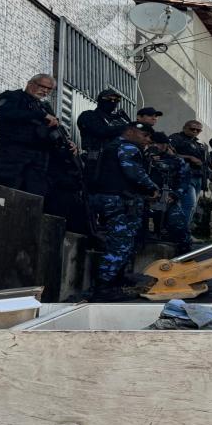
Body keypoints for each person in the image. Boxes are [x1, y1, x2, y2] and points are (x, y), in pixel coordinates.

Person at [87, 122, 160, 301]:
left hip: (110, 199)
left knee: (122, 241)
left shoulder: (111, 146)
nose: (147, 140)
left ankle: (117, 279)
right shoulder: (127, 147)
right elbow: (134, 172)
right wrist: (152, 187)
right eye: (144, 135)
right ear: (130, 131)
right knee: (120, 244)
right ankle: (103, 287)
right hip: (119, 201)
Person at [0, 74, 58, 197]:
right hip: (13, 154)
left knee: (33, 197)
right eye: (42, 86)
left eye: (49, 89)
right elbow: (6, 113)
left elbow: (55, 131)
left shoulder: (44, 107)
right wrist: (41, 115)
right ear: (30, 84)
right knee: (6, 193)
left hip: (38, 160)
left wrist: (67, 143)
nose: (45, 91)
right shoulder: (12, 96)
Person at [146, 132, 194, 253]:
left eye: (157, 143)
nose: (154, 146)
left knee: (178, 226)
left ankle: (185, 255)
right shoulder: (141, 158)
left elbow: (185, 181)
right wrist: (148, 161)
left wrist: (174, 195)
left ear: (165, 145)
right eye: (151, 143)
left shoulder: (176, 161)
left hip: (167, 198)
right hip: (144, 200)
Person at [77, 88, 129, 179]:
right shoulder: (89, 115)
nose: (113, 102)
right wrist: (125, 128)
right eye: (109, 99)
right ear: (101, 100)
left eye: (116, 100)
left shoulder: (119, 119)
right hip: (97, 160)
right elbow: (100, 131)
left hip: (119, 161)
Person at [169, 120, 208, 236]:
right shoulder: (176, 138)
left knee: (192, 206)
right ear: (184, 127)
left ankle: (184, 232)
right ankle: (181, 234)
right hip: (183, 177)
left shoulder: (198, 143)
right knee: (188, 204)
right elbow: (168, 153)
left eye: (198, 130)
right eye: (192, 129)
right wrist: (189, 157)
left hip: (197, 176)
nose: (195, 131)